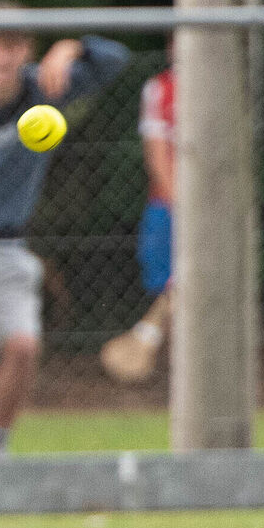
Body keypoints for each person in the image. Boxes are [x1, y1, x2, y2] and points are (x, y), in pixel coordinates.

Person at [0, 0, 131, 455]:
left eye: (14, 45)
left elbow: (117, 59)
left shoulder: (43, 89)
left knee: (22, 347)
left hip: (11, 249)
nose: (3, 56)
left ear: (27, 50)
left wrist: (69, 48)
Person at [100, 44, 175, 383]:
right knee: (170, 290)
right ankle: (176, 378)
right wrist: (181, 207)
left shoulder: (229, 87)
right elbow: (156, 155)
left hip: (215, 213)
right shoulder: (160, 87)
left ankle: (190, 376)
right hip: (168, 207)